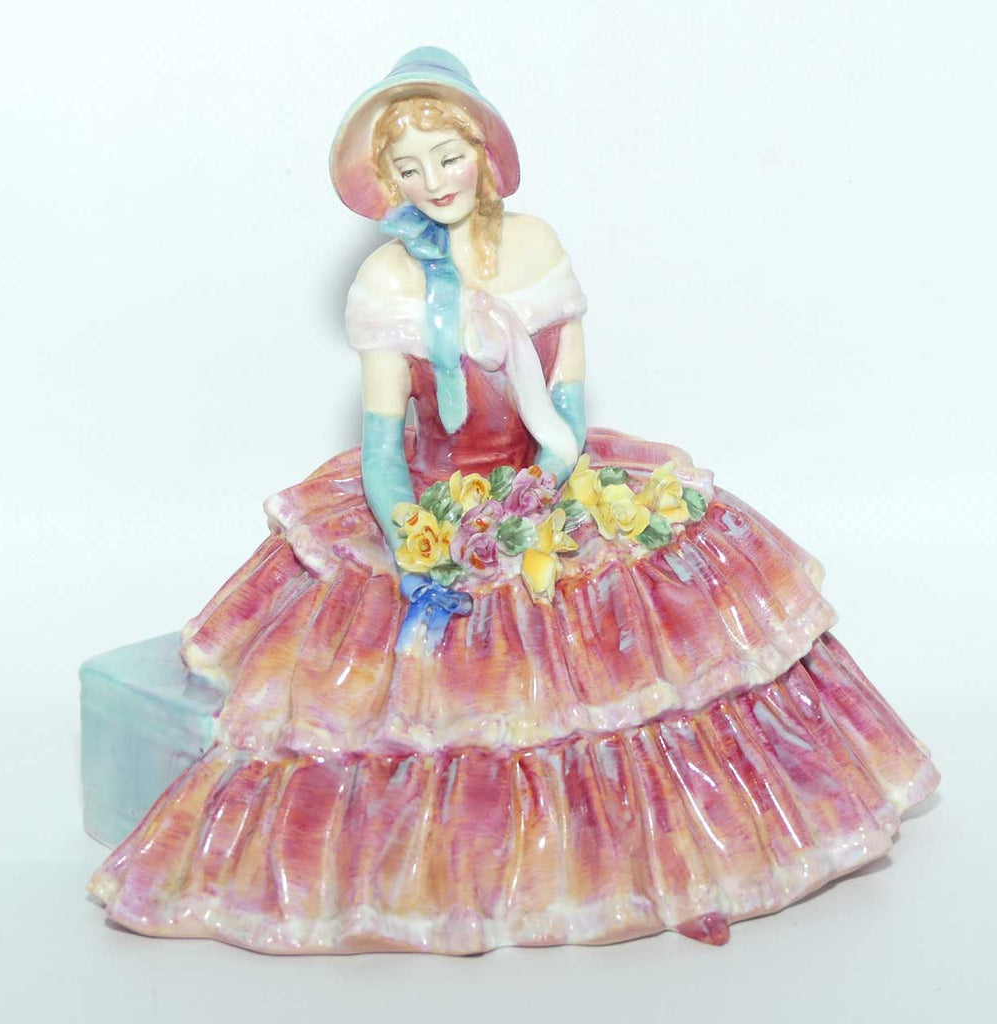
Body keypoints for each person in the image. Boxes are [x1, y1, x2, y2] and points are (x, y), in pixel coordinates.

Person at [88, 47, 938, 955]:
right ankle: (448, 872)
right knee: (406, 697)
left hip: (547, 477)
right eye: (409, 168)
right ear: (388, 183)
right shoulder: (388, 282)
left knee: (634, 648)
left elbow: (564, 408)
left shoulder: (534, 248)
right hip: (432, 494)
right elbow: (383, 447)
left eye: (448, 156)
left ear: (484, 154)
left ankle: (638, 860)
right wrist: (411, 538)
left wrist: (538, 497)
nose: (434, 181)